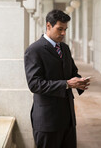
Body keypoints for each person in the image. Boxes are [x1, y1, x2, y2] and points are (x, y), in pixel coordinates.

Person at [24, 9, 90, 148]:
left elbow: (72, 72)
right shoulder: (34, 50)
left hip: (68, 119)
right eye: (60, 29)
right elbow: (35, 84)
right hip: (47, 121)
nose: (63, 33)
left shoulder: (65, 48)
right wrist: (66, 84)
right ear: (48, 26)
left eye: (65, 29)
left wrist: (79, 82)